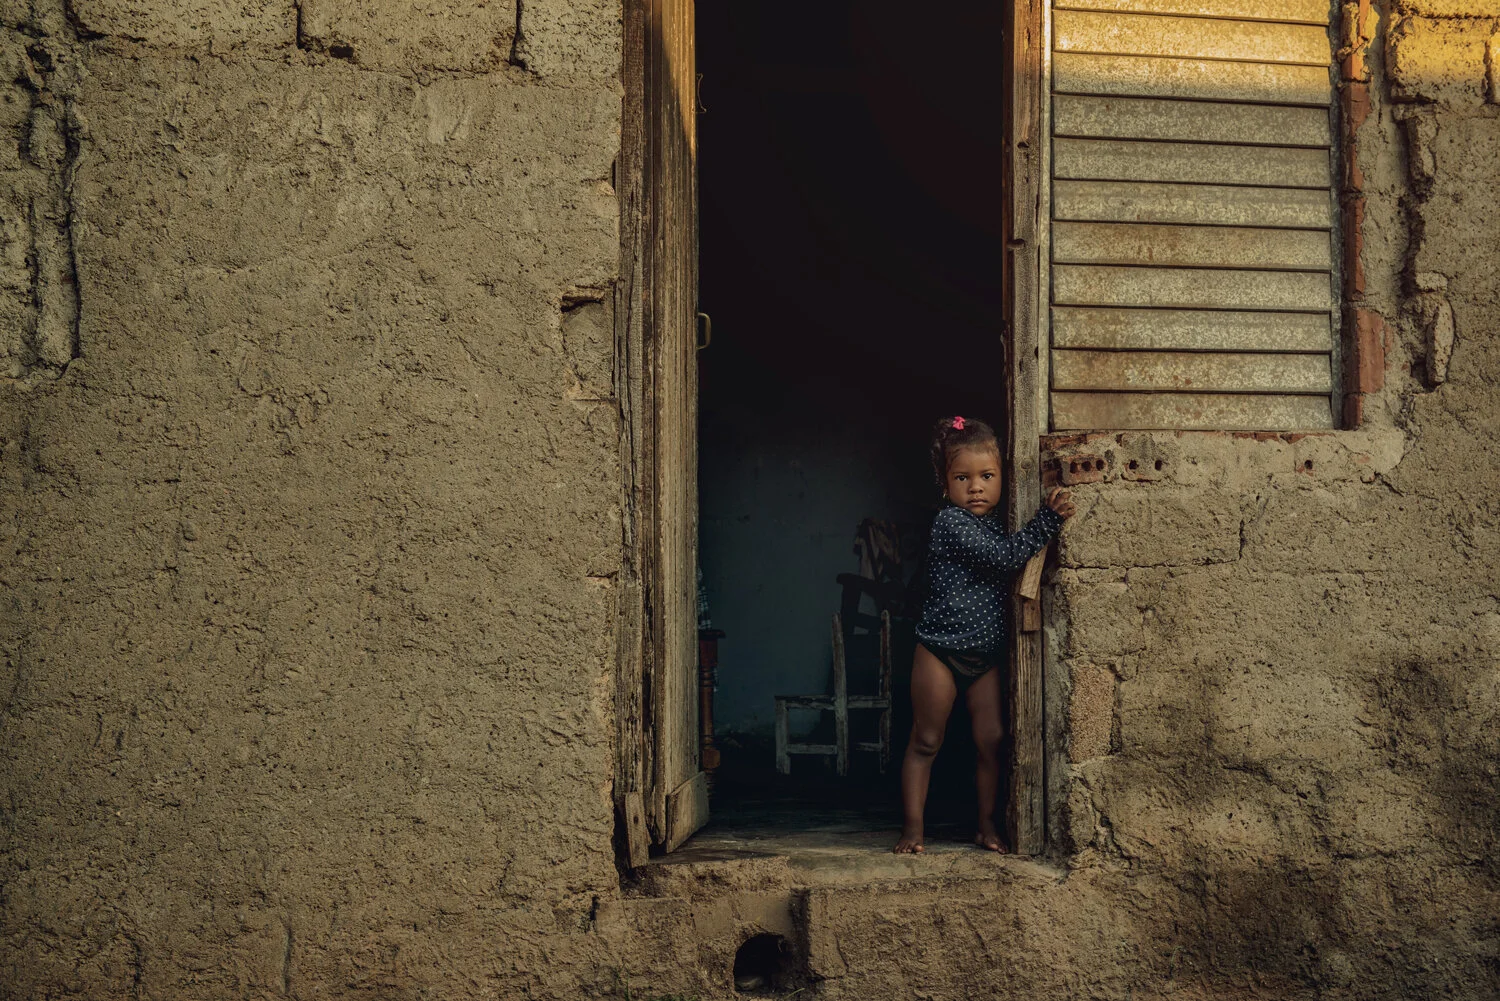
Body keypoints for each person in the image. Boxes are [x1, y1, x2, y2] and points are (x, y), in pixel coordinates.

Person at [894, 415, 1074, 854]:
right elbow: (1006, 557)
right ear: (945, 484)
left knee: (991, 741)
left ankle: (987, 826)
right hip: (940, 652)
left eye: (987, 476)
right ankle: (912, 831)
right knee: (926, 740)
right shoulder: (950, 523)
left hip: (985, 658)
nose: (976, 487)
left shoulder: (999, 521)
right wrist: (1047, 520)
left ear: (1002, 478)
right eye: (963, 478)